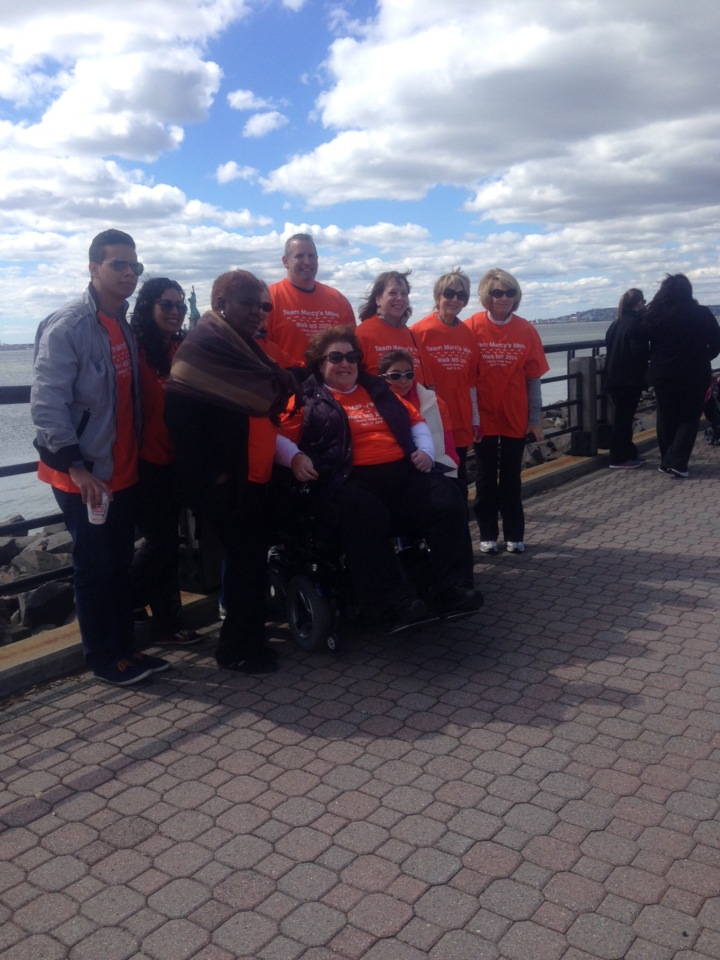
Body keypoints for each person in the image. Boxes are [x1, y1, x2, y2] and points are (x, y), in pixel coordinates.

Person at [31, 228, 169, 685]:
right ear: (93, 268)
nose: (129, 273)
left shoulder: (122, 324)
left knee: (117, 566)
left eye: (135, 266)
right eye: (119, 265)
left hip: (122, 472)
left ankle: (127, 650)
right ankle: (105, 659)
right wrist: (74, 466)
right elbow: (47, 403)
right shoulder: (69, 325)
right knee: (95, 570)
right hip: (84, 476)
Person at [289, 325, 480, 629]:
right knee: (364, 510)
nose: (345, 363)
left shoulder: (377, 390)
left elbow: (415, 421)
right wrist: (294, 456)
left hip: (399, 475)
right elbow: (278, 434)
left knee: (447, 494)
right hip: (346, 478)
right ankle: (391, 603)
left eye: (351, 357)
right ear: (319, 362)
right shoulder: (308, 397)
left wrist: (427, 452)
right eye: (335, 357)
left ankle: (453, 587)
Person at [164, 269, 300, 674]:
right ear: (220, 303)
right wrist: (217, 479)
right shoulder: (204, 347)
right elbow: (180, 417)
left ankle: (249, 638)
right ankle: (237, 649)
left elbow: (264, 398)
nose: (257, 313)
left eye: (262, 306)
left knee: (252, 559)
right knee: (244, 561)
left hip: (253, 476)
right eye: (246, 303)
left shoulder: (242, 349)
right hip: (227, 483)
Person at [129, 277, 200, 644]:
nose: (175, 312)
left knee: (168, 543)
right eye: (166, 305)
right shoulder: (134, 348)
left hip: (175, 458)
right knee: (161, 544)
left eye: (180, 306)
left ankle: (158, 616)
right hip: (143, 461)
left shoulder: (179, 348)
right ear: (149, 307)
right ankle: (134, 601)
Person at [465, 268, 549, 554]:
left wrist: (534, 420)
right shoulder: (472, 327)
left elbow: (533, 378)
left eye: (509, 292)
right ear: (487, 296)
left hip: (515, 414)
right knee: (485, 477)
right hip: (483, 416)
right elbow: (464, 376)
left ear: (516, 297)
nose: (503, 298)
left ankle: (515, 534)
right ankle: (487, 533)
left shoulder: (526, 330)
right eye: (497, 292)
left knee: (512, 477)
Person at [645, 274, 720, 478]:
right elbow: (716, 343)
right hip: (695, 372)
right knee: (689, 417)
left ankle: (666, 460)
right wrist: (704, 357)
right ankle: (676, 461)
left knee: (666, 417)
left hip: (663, 372)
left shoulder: (655, 315)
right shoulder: (702, 313)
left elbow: (644, 343)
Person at [413, 268, 480, 484]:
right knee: (432, 479)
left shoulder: (468, 335)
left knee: (458, 476)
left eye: (461, 296)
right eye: (448, 294)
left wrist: (475, 420)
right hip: (430, 420)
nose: (454, 300)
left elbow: (471, 383)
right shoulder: (420, 331)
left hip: (459, 419)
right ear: (437, 296)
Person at [265, 233, 356, 365]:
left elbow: (352, 346)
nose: (307, 262)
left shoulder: (338, 300)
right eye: (299, 256)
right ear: (285, 261)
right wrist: (298, 369)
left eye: (311, 256)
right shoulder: (270, 297)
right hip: (287, 380)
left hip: (329, 382)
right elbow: (262, 345)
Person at [378, 349, 459, 477]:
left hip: (434, 470)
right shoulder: (372, 407)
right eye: (395, 376)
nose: (403, 381)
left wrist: (452, 469)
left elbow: (448, 443)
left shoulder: (435, 402)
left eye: (408, 375)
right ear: (382, 378)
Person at [355, 271, 433, 385]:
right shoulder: (361, 335)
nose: (399, 298)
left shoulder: (414, 338)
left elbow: (428, 384)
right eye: (392, 293)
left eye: (404, 294)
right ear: (378, 299)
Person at [604, 288, 650, 469]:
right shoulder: (636, 322)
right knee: (624, 419)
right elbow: (639, 352)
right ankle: (618, 458)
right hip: (629, 379)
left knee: (622, 417)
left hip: (613, 376)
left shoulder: (615, 323)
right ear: (639, 303)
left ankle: (629, 452)